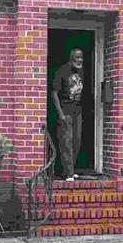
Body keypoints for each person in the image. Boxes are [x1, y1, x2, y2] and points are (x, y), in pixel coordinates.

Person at [52, 48, 84, 181]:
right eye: (77, 57)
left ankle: (71, 169)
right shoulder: (62, 71)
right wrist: (60, 114)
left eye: (81, 57)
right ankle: (67, 173)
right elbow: (54, 93)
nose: (80, 60)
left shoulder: (79, 71)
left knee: (77, 140)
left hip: (77, 112)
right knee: (67, 142)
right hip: (65, 111)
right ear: (71, 58)